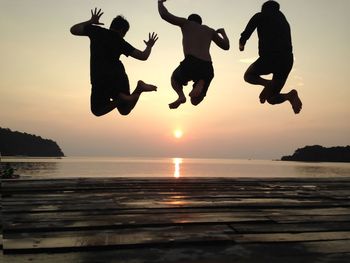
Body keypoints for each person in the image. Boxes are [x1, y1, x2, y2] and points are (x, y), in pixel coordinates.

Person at [70, 8, 158, 116]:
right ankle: (138, 89)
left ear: (112, 26)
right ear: (122, 31)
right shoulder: (120, 41)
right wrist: (149, 46)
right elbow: (143, 56)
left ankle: (122, 98)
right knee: (125, 110)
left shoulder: (97, 31)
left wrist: (91, 21)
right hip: (117, 77)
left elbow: (73, 30)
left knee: (97, 110)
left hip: (98, 78)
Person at [158, 0, 230, 109]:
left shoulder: (186, 23)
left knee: (174, 78)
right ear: (200, 23)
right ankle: (201, 81)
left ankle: (181, 96)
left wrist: (160, 2)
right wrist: (223, 33)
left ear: (190, 19)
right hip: (207, 67)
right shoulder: (209, 30)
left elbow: (164, 15)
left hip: (191, 63)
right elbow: (226, 46)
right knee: (195, 102)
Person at [239, 1, 302, 114]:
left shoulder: (260, 16)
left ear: (264, 9)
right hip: (287, 60)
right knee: (271, 98)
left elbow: (246, 32)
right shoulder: (284, 21)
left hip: (270, 58)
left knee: (248, 76)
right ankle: (289, 96)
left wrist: (241, 44)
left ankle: (267, 84)